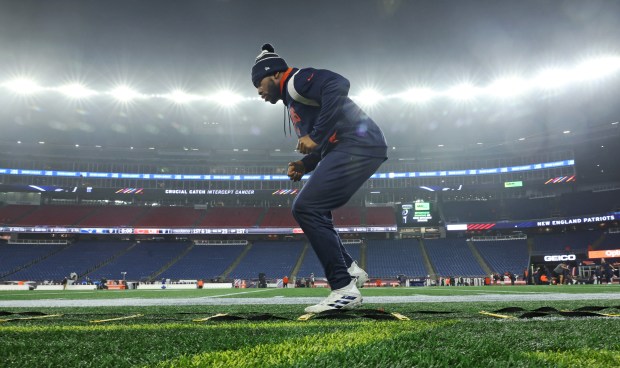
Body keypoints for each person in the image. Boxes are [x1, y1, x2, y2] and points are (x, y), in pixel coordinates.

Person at [252, 44, 387, 313]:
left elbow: (338, 83)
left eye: (259, 82)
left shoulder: (296, 81)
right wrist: (305, 164)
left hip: (358, 144)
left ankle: (343, 288)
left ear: (275, 74)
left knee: (305, 207)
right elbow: (325, 142)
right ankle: (349, 270)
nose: (258, 91)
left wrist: (314, 136)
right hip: (353, 146)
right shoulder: (294, 98)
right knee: (315, 208)